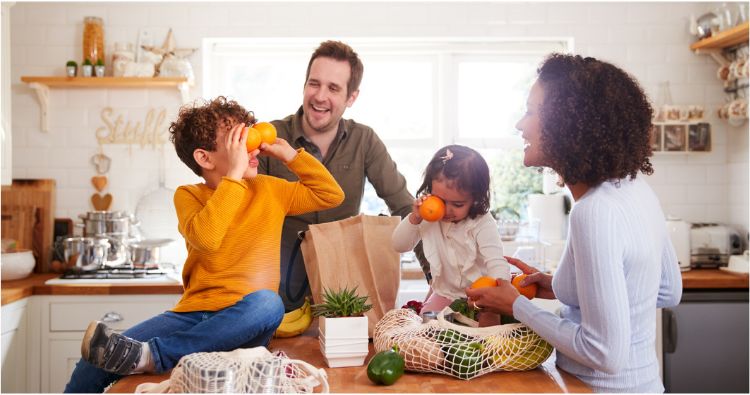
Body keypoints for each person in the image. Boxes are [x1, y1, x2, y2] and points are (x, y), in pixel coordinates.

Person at [64, 96, 345, 393]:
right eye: (239, 139)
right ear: (205, 158)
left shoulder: (270, 190)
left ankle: (155, 356)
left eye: (248, 132)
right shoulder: (189, 195)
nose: (251, 145)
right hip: (193, 316)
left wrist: (291, 155)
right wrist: (235, 175)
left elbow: (330, 195)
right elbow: (207, 238)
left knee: (268, 302)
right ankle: (155, 354)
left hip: (246, 321)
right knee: (93, 361)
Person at [465, 54, 683, 393]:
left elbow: (604, 352)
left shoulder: (593, 212)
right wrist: (560, 285)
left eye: (531, 112)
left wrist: (516, 306)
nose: (520, 125)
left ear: (567, 123)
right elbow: (668, 290)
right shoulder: (635, 187)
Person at [258, 40, 418, 312]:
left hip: (342, 296)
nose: (320, 96)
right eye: (314, 83)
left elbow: (407, 209)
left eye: (333, 88)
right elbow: (245, 212)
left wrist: (437, 274)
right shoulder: (270, 138)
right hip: (276, 293)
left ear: (351, 97)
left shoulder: (364, 141)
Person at [392, 145, 510, 327]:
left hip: (482, 297)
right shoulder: (428, 216)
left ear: (476, 198)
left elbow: (497, 264)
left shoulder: (482, 223)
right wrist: (415, 217)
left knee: (487, 334)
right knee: (427, 328)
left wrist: (494, 306)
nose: (447, 210)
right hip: (445, 293)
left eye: (457, 204)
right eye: (440, 200)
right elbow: (399, 245)